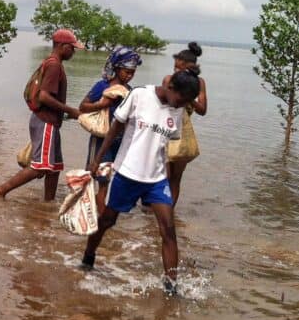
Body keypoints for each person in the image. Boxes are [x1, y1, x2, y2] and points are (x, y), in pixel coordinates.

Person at [83, 69, 203, 294]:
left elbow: (165, 145)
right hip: (127, 174)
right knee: (107, 220)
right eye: (181, 100)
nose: (181, 106)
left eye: (186, 103)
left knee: (168, 229)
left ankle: (171, 287)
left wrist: (167, 179)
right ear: (171, 88)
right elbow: (115, 128)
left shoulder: (176, 110)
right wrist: (97, 161)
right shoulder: (139, 95)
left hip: (156, 179)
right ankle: (89, 255)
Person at [0, 29, 85, 202]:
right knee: (40, 167)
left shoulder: (51, 62)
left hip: (47, 121)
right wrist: (70, 111)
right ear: (63, 46)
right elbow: (44, 96)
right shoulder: (55, 65)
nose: (73, 52)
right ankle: (0, 190)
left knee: (54, 167)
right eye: (72, 48)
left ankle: (48, 203)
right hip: (45, 122)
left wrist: (64, 113)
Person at [78, 47, 142, 206]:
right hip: (101, 139)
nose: (129, 75)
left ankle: (102, 214)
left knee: (112, 180)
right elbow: (83, 107)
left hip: (120, 142)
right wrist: (103, 104)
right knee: (101, 178)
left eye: (132, 72)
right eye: (126, 71)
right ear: (117, 68)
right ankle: (97, 215)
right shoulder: (102, 86)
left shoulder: (130, 91)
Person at [164, 42, 208, 204]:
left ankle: (168, 212)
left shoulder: (199, 83)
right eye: (174, 68)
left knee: (175, 179)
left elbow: (202, 110)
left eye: (179, 69)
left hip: (184, 132)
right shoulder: (169, 80)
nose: (175, 71)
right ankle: (154, 211)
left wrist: (189, 98)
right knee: (164, 176)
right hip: (167, 128)